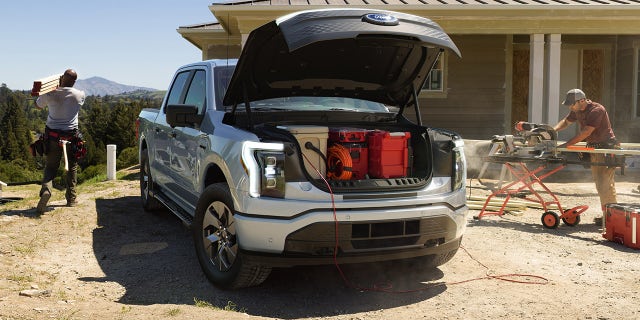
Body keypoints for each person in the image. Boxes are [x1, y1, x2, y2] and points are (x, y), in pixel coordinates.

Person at [553, 88, 618, 225]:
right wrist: (552, 130)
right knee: (600, 183)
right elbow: (566, 121)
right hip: (595, 148)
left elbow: (586, 132)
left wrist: (566, 145)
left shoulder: (596, 110)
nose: (570, 107)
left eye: (572, 104)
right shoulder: (577, 110)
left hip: (606, 147)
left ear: (581, 100)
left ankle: (611, 218)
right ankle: (608, 216)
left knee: (605, 183)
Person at [35, 69, 86, 214]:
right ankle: (71, 199)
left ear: (61, 78)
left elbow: (37, 105)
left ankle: (46, 190)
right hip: (71, 137)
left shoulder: (50, 93)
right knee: (72, 166)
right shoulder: (79, 94)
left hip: (52, 137)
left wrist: (51, 89)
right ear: (74, 81)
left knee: (51, 167)